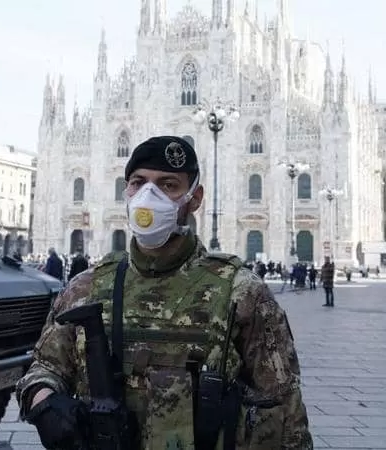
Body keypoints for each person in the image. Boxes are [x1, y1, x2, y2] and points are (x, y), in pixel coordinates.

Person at [16, 136, 313, 449]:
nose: (149, 195)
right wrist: (45, 404)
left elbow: (285, 407)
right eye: (138, 182)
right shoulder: (86, 287)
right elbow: (43, 369)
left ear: (194, 198)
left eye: (168, 185)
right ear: (126, 190)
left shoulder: (241, 292)